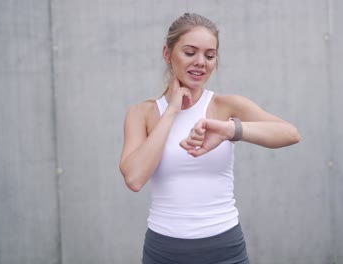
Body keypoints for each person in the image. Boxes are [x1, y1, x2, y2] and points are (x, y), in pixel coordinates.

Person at [119, 13, 300, 264]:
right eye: (190, 52)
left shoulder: (226, 106)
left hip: (224, 249)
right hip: (164, 251)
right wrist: (172, 110)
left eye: (209, 55)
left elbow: (290, 134)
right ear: (167, 53)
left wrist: (230, 130)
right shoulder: (142, 114)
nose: (200, 62)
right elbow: (135, 178)